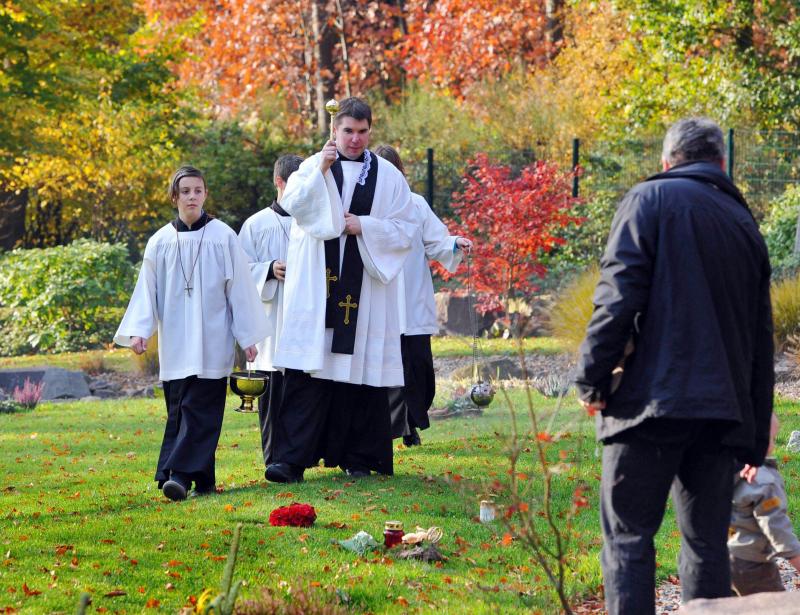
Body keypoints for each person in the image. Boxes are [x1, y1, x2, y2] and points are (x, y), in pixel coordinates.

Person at [574, 118, 774, 614]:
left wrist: (591, 380)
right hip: (718, 414)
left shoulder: (649, 201)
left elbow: (617, 300)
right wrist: (752, 431)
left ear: (667, 162)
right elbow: (759, 337)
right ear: (720, 164)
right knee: (707, 544)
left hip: (647, 406)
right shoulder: (742, 222)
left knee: (628, 539)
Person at [266, 97, 417, 483]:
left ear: (371, 130)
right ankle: (291, 460)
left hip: (363, 289)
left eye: (362, 132)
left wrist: (364, 226)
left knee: (360, 375)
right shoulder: (310, 168)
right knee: (309, 374)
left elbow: (405, 229)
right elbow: (292, 204)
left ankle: (361, 457)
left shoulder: (388, 177)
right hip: (318, 289)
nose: (355, 139)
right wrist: (321, 168)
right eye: (348, 131)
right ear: (335, 130)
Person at [114, 165, 270, 501]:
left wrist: (248, 337)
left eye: (198, 190)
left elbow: (240, 290)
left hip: (213, 340)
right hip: (175, 341)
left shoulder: (223, 236)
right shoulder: (160, 241)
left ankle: (179, 476)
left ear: (205, 195)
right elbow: (147, 289)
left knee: (200, 409)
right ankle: (205, 478)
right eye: (185, 191)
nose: (192, 197)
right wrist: (141, 330)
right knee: (180, 409)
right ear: (174, 197)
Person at [373, 144, 472, 447]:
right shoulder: (368, 207)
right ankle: (398, 428)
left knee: (418, 368)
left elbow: (436, 240)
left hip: (412, 299)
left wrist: (455, 244)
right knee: (387, 368)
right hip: (381, 301)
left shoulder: (415, 205)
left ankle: (412, 419)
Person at [238, 154, 303, 468]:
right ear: (280, 183)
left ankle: (295, 460)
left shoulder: (313, 221)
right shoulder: (256, 224)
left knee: (300, 395)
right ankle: (272, 459)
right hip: (271, 321)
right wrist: (268, 269)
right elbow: (239, 270)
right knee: (272, 394)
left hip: (303, 319)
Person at [729, 413, 800, 596]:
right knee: (773, 605)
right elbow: (776, 526)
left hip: (722, 557)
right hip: (752, 563)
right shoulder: (763, 481)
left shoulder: (726, 469)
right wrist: (794, 556)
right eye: (773, 439)